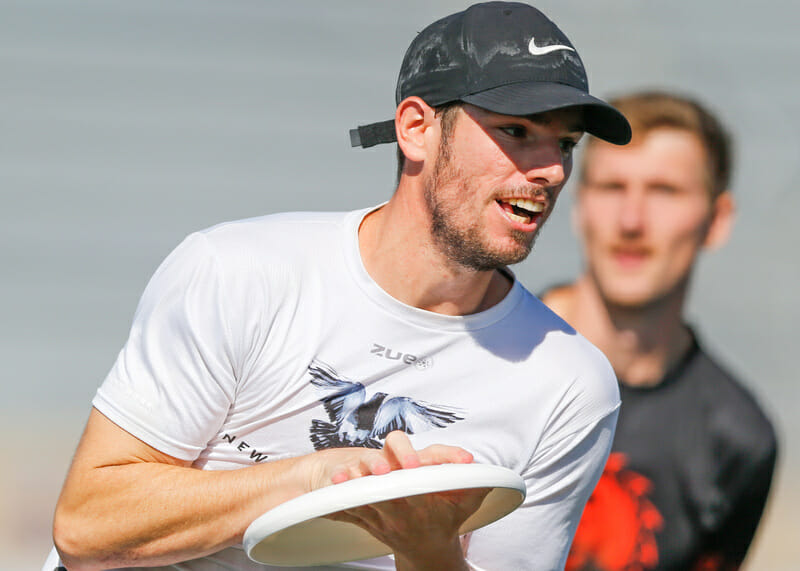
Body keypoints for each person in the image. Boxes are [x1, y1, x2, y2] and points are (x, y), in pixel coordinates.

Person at [48, 3, 633, 570]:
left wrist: (426, 551)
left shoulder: (570, 384)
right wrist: (312, 479)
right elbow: (88, 528)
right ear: (416, 129)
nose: (551, 170)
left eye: (565, 144)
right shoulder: (240, 273)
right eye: (517, 130)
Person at [539, 91, 778, 571]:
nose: (631, 221)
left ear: (717, 219)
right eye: (611, 188)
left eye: (664, 191)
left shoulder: (737, 441)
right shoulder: (487, 352)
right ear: (578, 205)